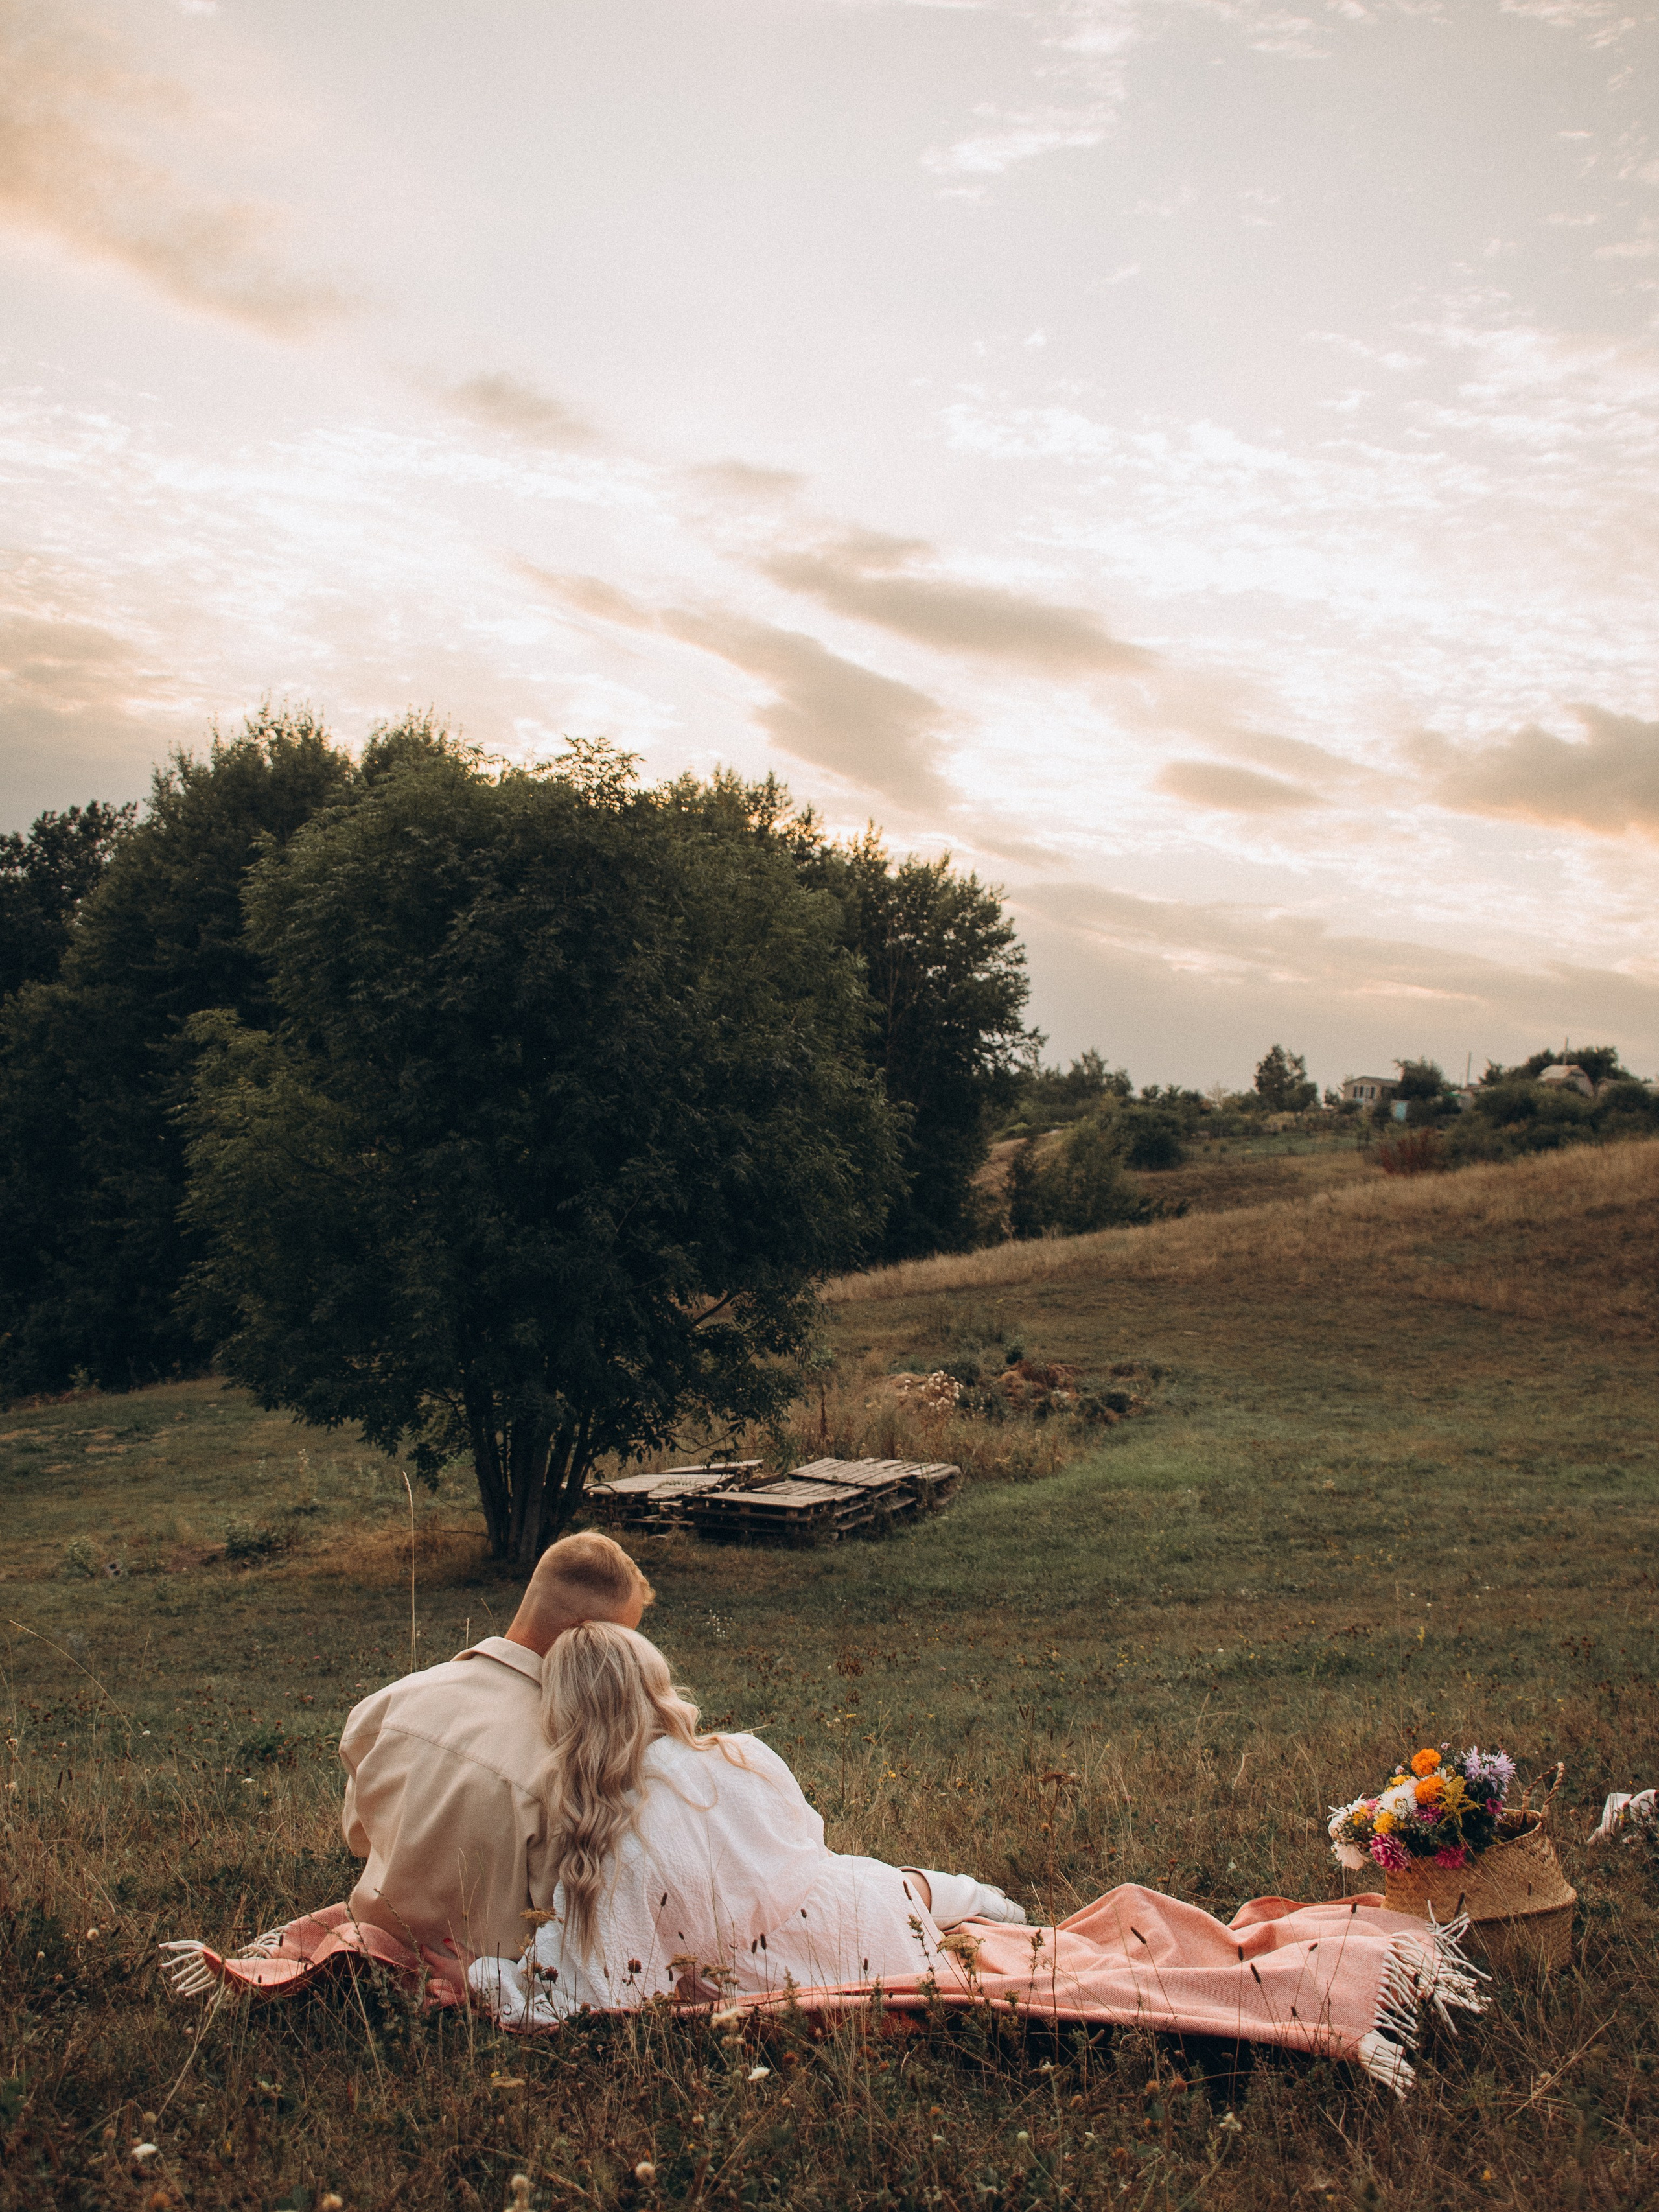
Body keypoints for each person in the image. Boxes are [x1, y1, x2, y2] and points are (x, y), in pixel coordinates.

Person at [468, 1620, 1025, 2025]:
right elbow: (812, 1846)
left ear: (562, 1719)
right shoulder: (740, 1752)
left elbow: (591, 1997)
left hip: (800, 1979)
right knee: (867, 1878)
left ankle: (980, 1900)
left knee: (856, 1884)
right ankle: (982, 1899)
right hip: (872, 1920)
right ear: (654, 1687)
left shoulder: (613, 1839)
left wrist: (485, 1977)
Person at [338, 1530, 653, 1987]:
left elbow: (358, 1838)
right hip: (484, 1981)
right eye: (624, 1642)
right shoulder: (575, 1762)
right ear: (585, 1637)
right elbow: (564, 1919)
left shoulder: (386, 1706)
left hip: (369, 1954)